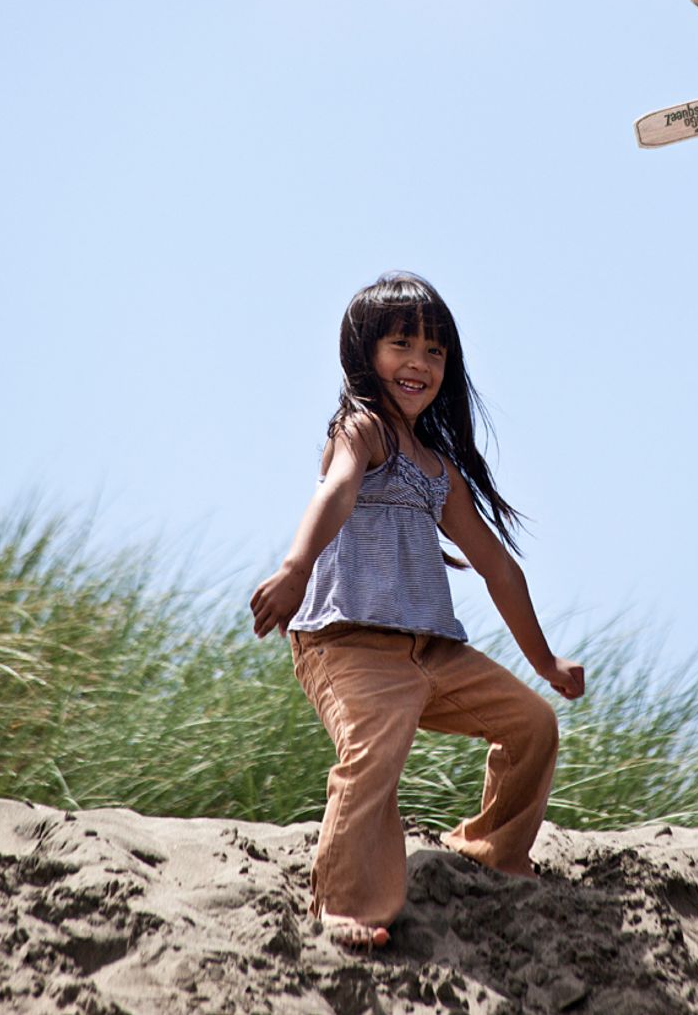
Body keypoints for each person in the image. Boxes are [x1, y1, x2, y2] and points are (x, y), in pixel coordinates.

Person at [250, 272, 585, 948]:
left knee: (532, 725)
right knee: (375, 753)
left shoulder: (438, 469)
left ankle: (492, 851)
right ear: (364, 354)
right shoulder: (361, 430)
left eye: (435, 352)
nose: (420, 364)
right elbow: (338, 493)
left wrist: (544, 659)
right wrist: (294, 567)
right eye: (402, 345)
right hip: (348, 643)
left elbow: (497, 567)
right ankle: (343, 903)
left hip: (432, 651)